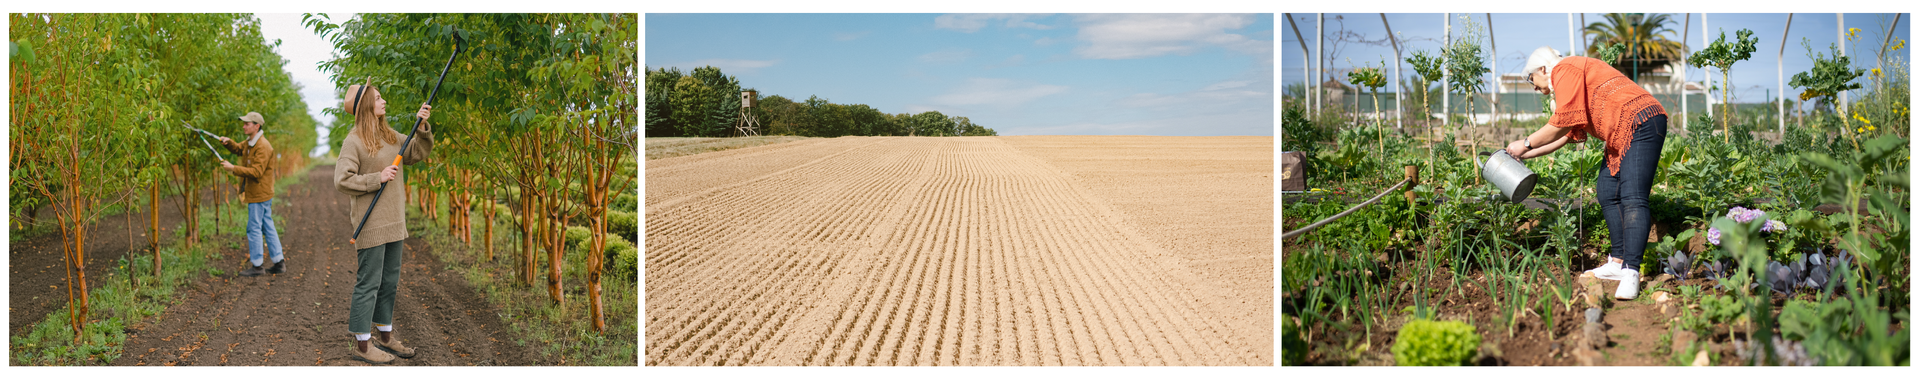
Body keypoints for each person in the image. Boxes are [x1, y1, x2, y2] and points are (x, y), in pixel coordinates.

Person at [1505, 46, 1668, 300]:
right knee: (1607, 189)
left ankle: (1632, 272)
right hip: (1622, 132)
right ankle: (1617, 262)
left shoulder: (1564, 69)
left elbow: (1561, 124)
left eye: (1531, 80)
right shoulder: (1571, 85)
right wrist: (1526, 154)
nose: (1534, 88)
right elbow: (1565, 135)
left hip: (1642, 121)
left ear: (1543, 69)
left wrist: (1525, 142)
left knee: (1633, 196)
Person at [335, 82, 434, 364]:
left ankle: (386, 336)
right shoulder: (353, 141)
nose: (383, 101)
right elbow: (341, 180)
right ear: (366, 105)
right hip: (371, 224)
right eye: (378, 98)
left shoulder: (390, 136)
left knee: (389, 281)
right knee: (369, 283)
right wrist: (375, 178)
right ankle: (362, 345)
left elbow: (416, 152)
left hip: (394, 221)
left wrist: (422, 126)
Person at [219, 112, 285, 277]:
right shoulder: (251, 142)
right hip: (259, 192)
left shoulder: (263, 146)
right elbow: (239, 149)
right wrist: (228, 143)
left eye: (247, 123)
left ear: (257, 126)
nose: (244, 126)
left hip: (259, 193)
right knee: (267, 225)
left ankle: (257, 266)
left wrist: (233, 168)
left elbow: (256, 172)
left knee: (254, 227)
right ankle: (279, 262)